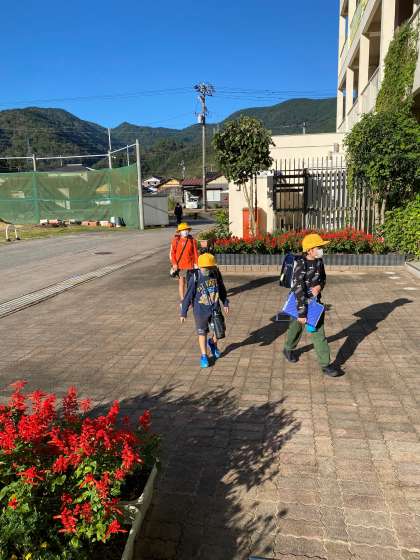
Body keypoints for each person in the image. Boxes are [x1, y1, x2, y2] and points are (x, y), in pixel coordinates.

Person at [283, 233, 340, 377]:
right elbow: (298, 288)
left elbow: (323, 278)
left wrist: (319, 287)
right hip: (299, 303)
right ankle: (288, 348)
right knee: (296, 328)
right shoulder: (301, 264)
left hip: (315, 304)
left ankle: (325, 365)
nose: (321, 250)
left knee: (318, 333)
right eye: (318, 247)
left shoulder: (319, 262)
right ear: (309, 250)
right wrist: (302, 313)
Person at [180, 253, 229, 368]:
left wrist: (225, 302)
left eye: (210, 267)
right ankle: (204, 356)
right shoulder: (195, 277)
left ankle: (212, 343)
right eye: (205, 268)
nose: (208, 270)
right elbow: (188, 295)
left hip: (215, 308)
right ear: (200, 267)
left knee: (219, 330)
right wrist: (183, 312)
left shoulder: (215, 273)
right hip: (200, 311)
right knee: (202, 332)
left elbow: (221, 288)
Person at [169, 222, 199, 302]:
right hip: (180, 266)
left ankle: (190, 298)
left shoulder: (192, 240)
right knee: (181, 282)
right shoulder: (176, 240)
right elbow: (172, 253)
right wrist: (174, 264)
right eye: (183, 230)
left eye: (186, 229)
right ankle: (182, 299)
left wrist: (197, 263)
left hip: (191, 265)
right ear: (179, 232)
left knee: (191, 283)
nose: (185, 231)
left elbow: (195, 253)